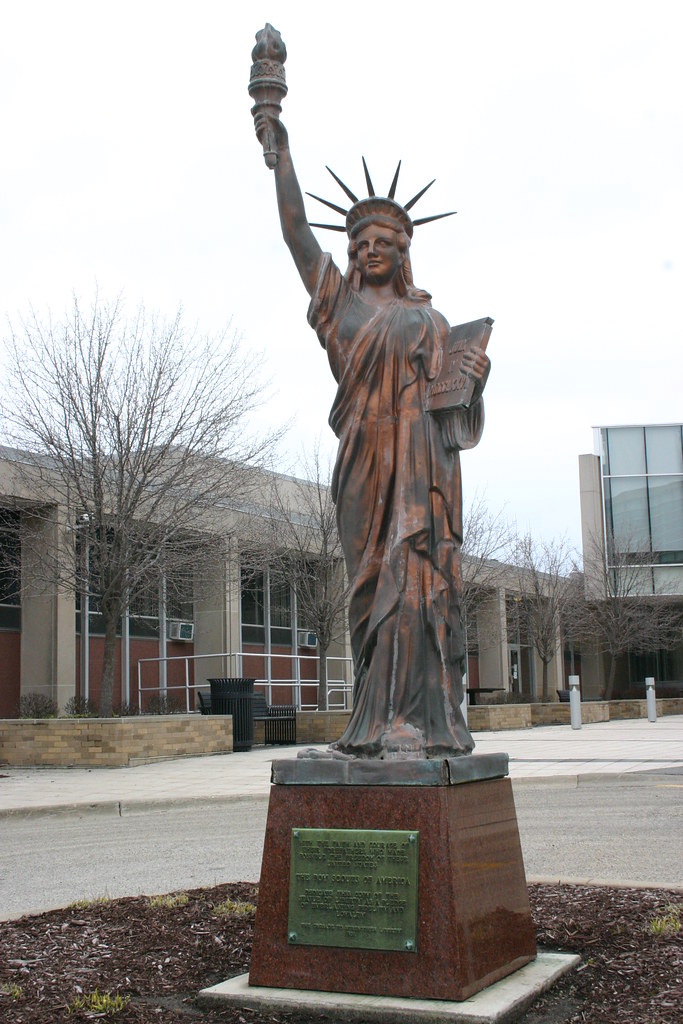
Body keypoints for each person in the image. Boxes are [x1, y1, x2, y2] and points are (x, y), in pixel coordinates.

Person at [254, 114, 490, 759]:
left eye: (382, 241)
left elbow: (454, 415)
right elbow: (298, 236)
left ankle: (413, 723)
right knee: (369, 591)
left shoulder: (430, 320)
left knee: (413, 583)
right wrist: (281, 156)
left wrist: (477, 378)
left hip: (420, 472)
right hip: (363, 465)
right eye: (359, 244)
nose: (368, 252)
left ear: (404, 250)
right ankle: (370, 722)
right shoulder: (343, 310)